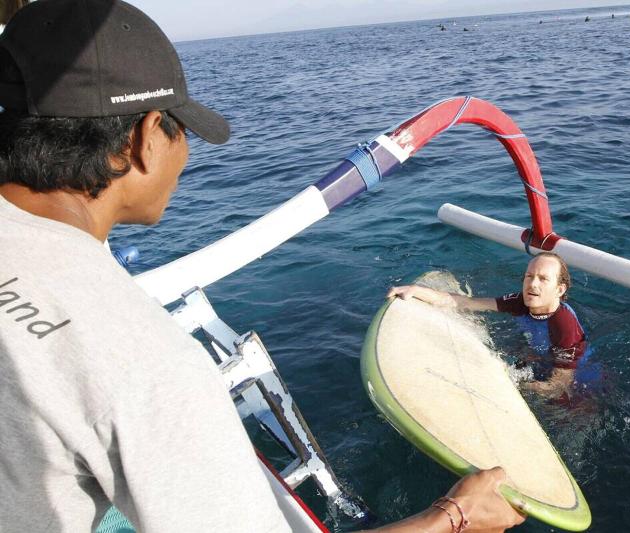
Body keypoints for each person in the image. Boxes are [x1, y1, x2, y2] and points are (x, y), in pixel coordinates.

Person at [0, 1, 524, 532]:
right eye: (182, 130)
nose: (185, 153)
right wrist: (454, 515)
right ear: (145, 137)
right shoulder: (144, 360)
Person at [387, 252, 588, 399]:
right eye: (529, 276)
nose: (533, 284)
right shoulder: (521, 301)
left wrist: (511, 379)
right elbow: (466, 303)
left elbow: (559, 385)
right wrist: (416, 290)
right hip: (541, 354)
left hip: (582, 377)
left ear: (559, 289)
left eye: (543, 279)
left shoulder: (563, 324)